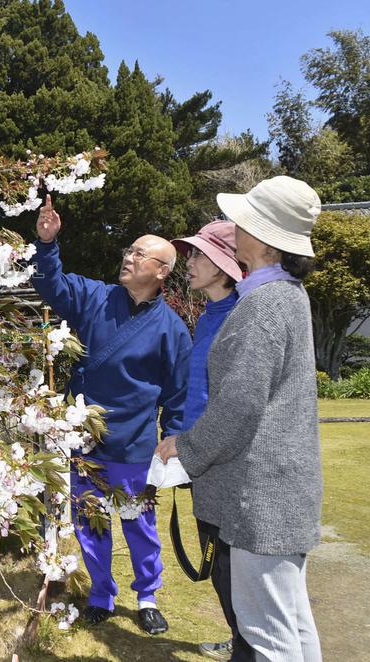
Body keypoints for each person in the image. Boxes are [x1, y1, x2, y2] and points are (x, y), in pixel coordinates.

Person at [158, 176, 323, 662]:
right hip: (282, 493)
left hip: (261, 500)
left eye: (241, 221)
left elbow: (237, 409)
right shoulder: (286, 297)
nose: (234, 229)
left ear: (262, 236)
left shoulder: (263, 306)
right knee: (292, 625)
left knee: (268, 637)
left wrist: (182, 450)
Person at [30, 195, 191, 635]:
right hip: (86, 441)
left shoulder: (172, 329)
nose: (129, 256)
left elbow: (178, 393)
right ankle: (101, 592)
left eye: (141, 254)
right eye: (129, 250)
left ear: (161, 271)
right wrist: (47, 244)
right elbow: (54, 285)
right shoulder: (95, 298)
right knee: (90, 521)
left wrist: (171, 441)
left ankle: (147, 596)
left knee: (139, 525)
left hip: (137, 444)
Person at [171, 220, 244, 661]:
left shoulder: (241, 318)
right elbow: (196, 392)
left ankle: (248, 646)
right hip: (198, 458)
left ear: (224, 266)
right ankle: (242, 641)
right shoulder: (206, 318)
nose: (190, 263)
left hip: (225, 464)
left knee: (231, 566)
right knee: (217, 562)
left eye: (199, 255)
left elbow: (234, 406)